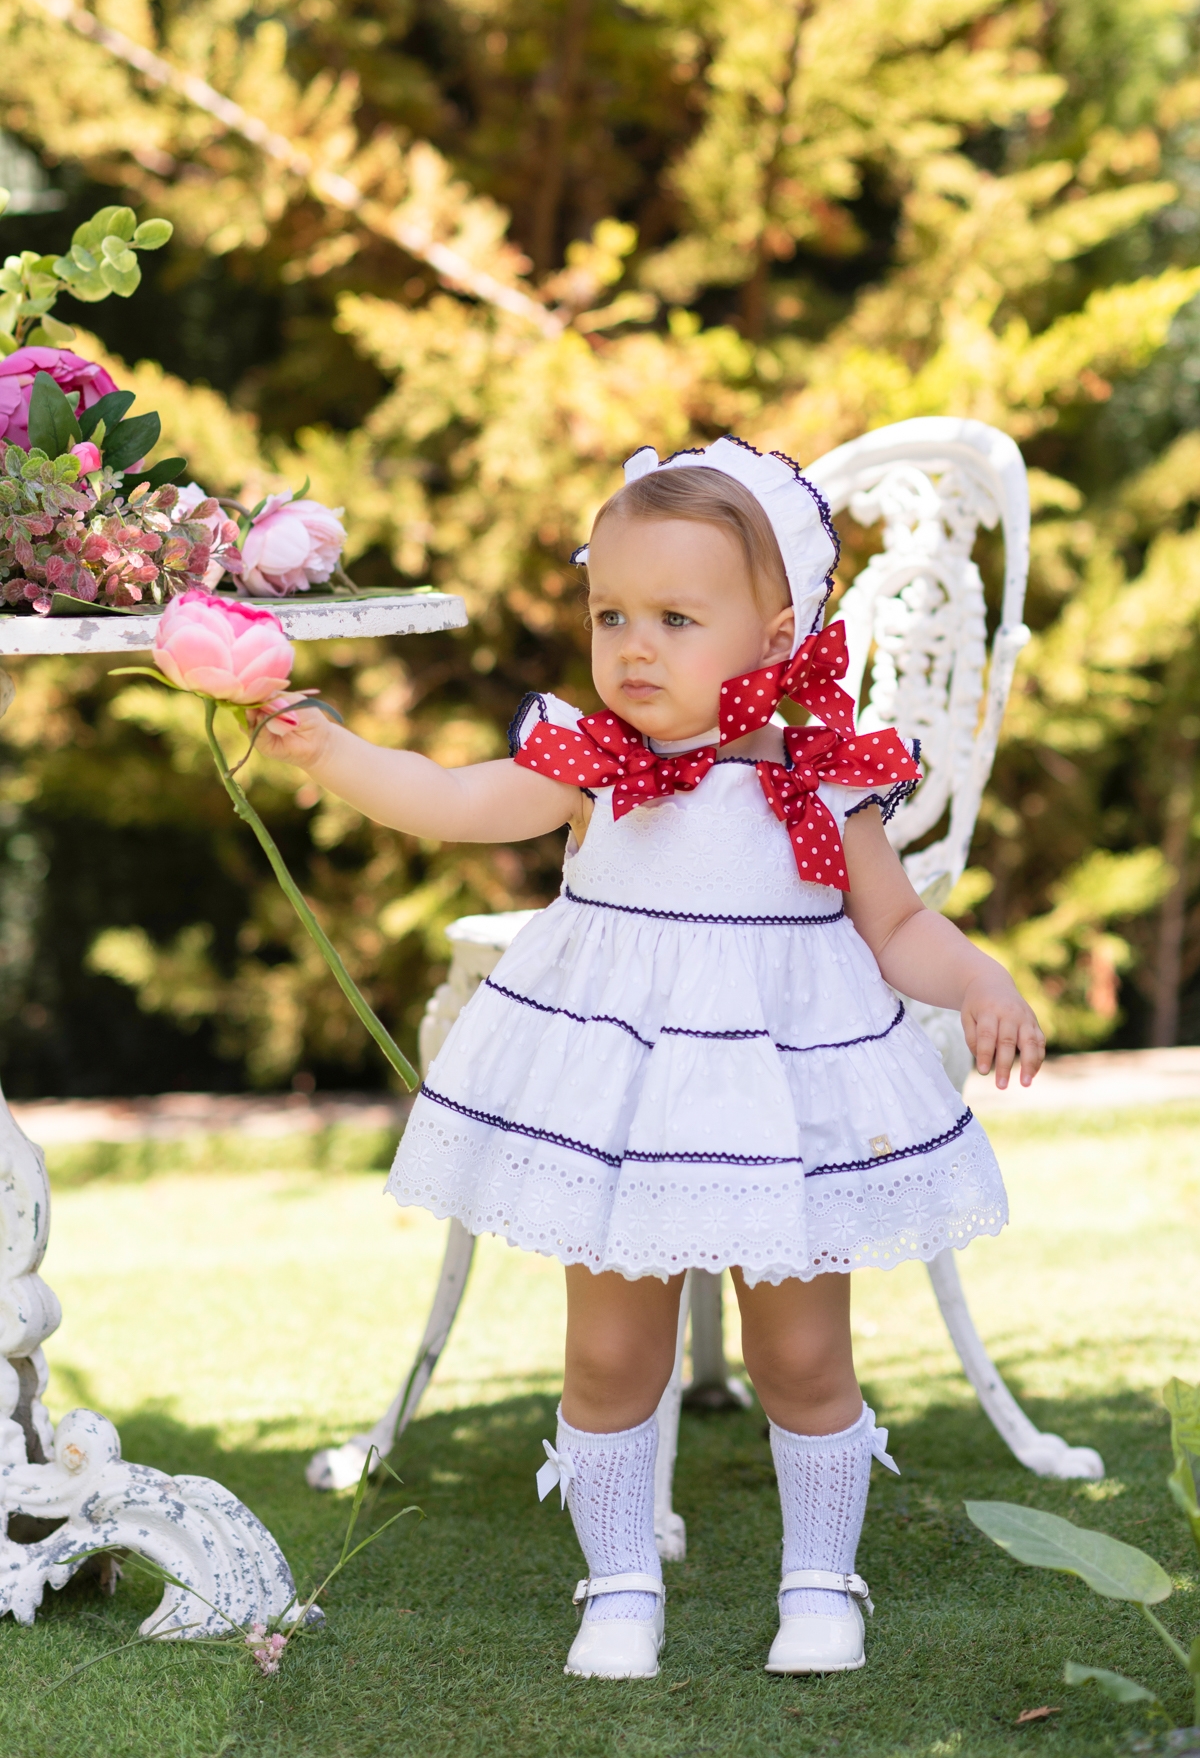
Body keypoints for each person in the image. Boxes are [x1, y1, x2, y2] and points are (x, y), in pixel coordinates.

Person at [257, 437, 1044, 1682]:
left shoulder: (818, 783)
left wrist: (980, 978)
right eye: (609, 612)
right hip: (624, 1109)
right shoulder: (595, 767)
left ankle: (821, 1581)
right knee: (611, 1353)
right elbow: (446, 796)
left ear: (777, 633)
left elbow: (896, 926)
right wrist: (331, 755)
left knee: (801, 1354)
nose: (632, 647)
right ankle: (619, 1583)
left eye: (677, 617)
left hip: (780, 1109)